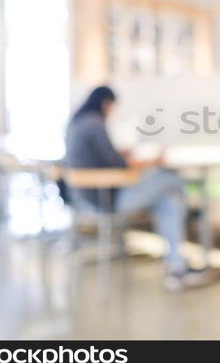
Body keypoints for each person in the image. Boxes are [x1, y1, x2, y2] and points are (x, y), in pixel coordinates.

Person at [65, 86, 203, 290]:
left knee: (168, 201)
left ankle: (176, 265)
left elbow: (103, 158)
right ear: (106, 104)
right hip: (106, 198)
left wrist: (123, 154)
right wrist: (151, 160)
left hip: (83, 199)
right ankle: (192, 212)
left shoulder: (77, 123)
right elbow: (116, 164)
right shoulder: (95, 124)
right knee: (170, 178)